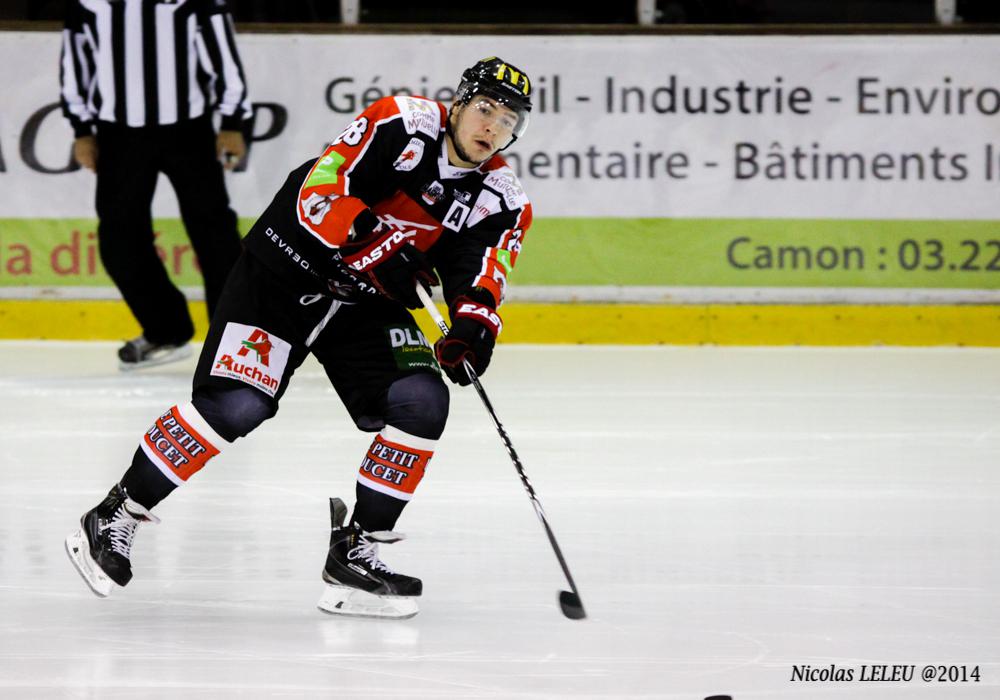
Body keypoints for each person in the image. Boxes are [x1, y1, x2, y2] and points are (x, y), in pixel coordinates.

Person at [65, 57, 534, 619]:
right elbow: (321, 188)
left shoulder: (501, 196)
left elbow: (483, 272)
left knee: (422, 400)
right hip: (284, 274)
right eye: (484, 109)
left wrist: (472, 329)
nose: (491, 128)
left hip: (365, 303)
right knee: (238, 405)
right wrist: (377, 244)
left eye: (508, 121)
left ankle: (358, 550)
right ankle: (117, 510)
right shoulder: (401, 122)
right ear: (458, 103)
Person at [60, 0, 252, 370]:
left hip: (188, 131)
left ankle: (234, 338)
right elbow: (76, 63)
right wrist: (82, 130)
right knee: (119, 239)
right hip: (117, 135)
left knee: (214, 233)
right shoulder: (89, 3)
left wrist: (232, 122)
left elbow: (223, 56)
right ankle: (165, 330)